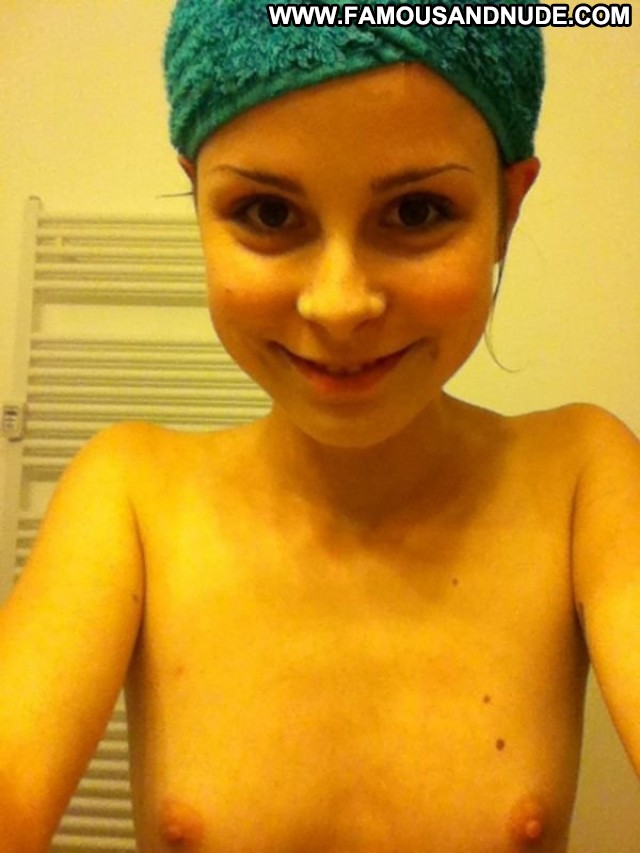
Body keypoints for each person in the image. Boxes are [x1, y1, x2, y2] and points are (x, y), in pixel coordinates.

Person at [1, 0, 638, 850]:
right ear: (198, 198)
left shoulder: (583, 481)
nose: (339, 306)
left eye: (417, 212)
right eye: (269, 214)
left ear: (508, 207)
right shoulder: (129, 499)